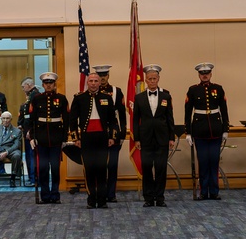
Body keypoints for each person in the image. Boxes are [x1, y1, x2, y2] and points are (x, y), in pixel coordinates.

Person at [68, 72, 119, 209]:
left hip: (102, 138)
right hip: (86, 139)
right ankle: (91, 199)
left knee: (102, 170)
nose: (93, 83)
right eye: (91, 81)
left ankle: (102, 200)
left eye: (96, 81)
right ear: (87, 82)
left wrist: (112, 137)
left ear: (99, 83)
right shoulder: (79, 98)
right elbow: (72, 120)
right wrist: (75, 139)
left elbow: (113, 121)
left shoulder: (107, 98)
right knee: (89, 169)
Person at [132, 65, 176, 207]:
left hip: (162, 138)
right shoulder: (139, 97)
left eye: (154, 79)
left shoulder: (166, 96)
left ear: (158, 79)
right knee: (147, 168)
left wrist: (171, 137)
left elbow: (170, 118)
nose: (152, 81)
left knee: (161, 168)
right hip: (145, 139)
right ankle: (149, 198)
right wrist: (136, 139)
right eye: (149, 79)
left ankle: (160, 197)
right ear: (146, 80)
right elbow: (135, 120)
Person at [184, 62, 229, 201]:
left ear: (210, 74)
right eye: (202, 74)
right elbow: (187, 112)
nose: (204, 75)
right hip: (199, 131)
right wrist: (188, 132)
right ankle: (204, 191)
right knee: (203, 162)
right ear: (199, 75)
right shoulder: (193, 90)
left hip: (216, 130)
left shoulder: (218, 89)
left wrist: (225, 129)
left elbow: (224, 110)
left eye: (207, 73)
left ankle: (214, 191)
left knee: (214, 161)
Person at [28, 72, 69, 204]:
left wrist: (64, 138)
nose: (48, 85)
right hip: (41, 138)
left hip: (56, 138)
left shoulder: (62, 99)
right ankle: (45, 195)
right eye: (46, 83)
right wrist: (32, 136)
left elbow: (66, 120)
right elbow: (32, 120)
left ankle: (55, 194)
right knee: (43, 168)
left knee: (56, 168)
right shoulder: (36, 99)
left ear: (54, 84)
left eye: (51, 83)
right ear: (43, 85)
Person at [94, 65, 127, 203]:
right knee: (99, 165)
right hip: (97, 133)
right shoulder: (91, 91)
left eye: (104, 75)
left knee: (112, 165)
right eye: (100, 75)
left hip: (113, 133)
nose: (102, 78)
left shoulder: (116, 91)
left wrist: (122, 132)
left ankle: (111, 194)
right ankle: (100, 192)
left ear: (108, 76)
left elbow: (122, 113)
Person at [0, 111, 22, 187]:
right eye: (4, 118)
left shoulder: (17, 131)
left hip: (11, 150)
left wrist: (7, 152)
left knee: (17, 155)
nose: (5, 120)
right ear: (1, 119)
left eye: (7, 118)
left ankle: (13, 178)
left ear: (11, 119)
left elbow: (16, 145)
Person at [18, 77, 39, 186]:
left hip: (32, 131)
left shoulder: (34, 95)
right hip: (27, 130)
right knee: (29, 155)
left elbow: (34, 116)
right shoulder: (31, 95)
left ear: (29, 85)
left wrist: (30, 130)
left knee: (32, 155)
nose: (23, 89)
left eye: (23, 87)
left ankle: (34, 178)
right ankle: (32, 177)